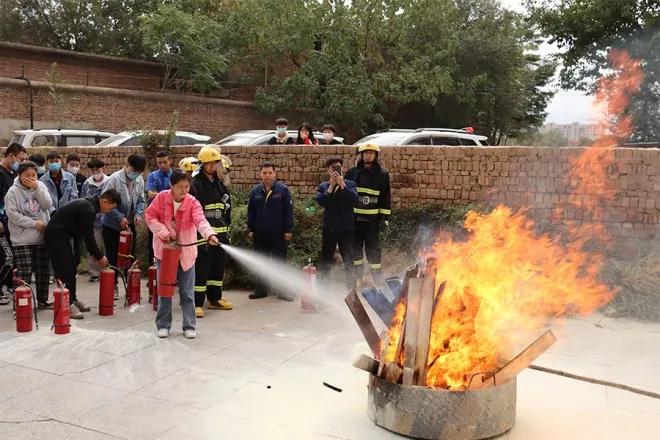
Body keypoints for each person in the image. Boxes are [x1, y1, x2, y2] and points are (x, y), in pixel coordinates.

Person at [146, 170, 220, 339]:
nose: (184, 191)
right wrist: (164, 233)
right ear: (171, 186)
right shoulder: (161, 198)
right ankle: (163, 325)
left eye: (187, 187)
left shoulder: (192, 202)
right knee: (165, 291)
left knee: (187, 292)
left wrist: (209, 234)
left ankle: (189, 326)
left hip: (186, 252)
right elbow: (150, 217)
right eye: (179, 187)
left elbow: (200, 220)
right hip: (165, 252)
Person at [44, 189, 119, 319]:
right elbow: (88, 236)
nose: (109, 211)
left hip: (65, 236)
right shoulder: (88, 209)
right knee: (65, 270)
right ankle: (66, 305)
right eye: (111, 208)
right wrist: (99, 257)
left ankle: (72, 299)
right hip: (55, 235)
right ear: (105, 201)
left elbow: (81, 233)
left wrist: (78, 255)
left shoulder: (90, 205)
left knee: (72, 268)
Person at [190, 146, 233, 316]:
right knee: (202, 267)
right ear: (202, 164)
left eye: (214, 163)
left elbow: (225, 205)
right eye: (208, 163)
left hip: (220, 232)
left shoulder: (217, 182)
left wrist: (226, 227)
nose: (212, 166)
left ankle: (215, 299)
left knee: (217, 266)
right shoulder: (196, 184)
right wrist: (204, 233)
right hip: (203, 234)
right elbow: (195, 211)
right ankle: (196, 302)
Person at [5, 161, 52, 308]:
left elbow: (47, 205)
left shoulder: (40, 185)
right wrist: (33, 223)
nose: (31, 178)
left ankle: (43, 301)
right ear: (19, 175)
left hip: (41, 237)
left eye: (34, 175)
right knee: (24, 271)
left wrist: (37, 188)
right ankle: (20, 304)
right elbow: (13, 215)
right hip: (22, 238)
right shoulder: (12, 191)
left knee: (42, 271)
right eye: (27, 175)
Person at [344, 143, 391, 286]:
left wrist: (385, 218)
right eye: (365, 153)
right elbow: (345, 194)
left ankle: (377, 279)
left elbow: (385, 196)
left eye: (371, 153)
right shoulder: (352, 172)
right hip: (354, 219)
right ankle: (358, 278)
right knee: (355, 249)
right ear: (361, 155)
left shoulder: (382, 174)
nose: (368, 155)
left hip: (372, 220)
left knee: (373, 250)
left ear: (376, 156)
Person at [247, 162, 294, 301]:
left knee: (279, 262)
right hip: (260, 233)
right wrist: (251, 229)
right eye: (264, 173)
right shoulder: (255, 191)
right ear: (260, 174)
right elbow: (251, 212)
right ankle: (261, 290)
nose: (267, 176)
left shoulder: (283, 190)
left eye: (270, 173)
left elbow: (288, 211)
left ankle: (282, 291)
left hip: (278, 233)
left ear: (275, 174)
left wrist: (288, 230)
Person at [102, 154, 146, 299]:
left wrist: (139, 214)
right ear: (127, 165)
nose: (136, 174)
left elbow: (141, 199)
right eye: (134, 170)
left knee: (129, 256)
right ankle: (113, 285)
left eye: (139, 172)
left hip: (129, 225)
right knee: (113, 255)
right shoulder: (114, 179)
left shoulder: (139, 180)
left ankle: (130, 285)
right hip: (112, 225)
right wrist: (120, 217)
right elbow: (105, 201)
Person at [315, 157, 358, 288]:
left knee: (349, 259)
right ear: (328, 170)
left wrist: (342, 186)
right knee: (326, 259)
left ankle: (351, 288)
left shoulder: (350, 184)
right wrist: (331, 187)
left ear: (342, 168)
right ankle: (323, 287)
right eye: (332, 168)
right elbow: (322, 201)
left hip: (347, 229)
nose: (335, 171)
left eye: (338, 168)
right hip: (330, 228)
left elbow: (354, 200)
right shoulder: (324, 186)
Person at [0, 143, 28, 305]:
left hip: (12, 225)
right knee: (7, 258)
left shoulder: (12, 175)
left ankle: (10, 285)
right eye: (20, 159)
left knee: (13, 259)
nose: (22, 163)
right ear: (11, 155)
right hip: (2, 225)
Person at [80, 159, 109, 282]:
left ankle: (108, 269)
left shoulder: (109, 182)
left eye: (98, 169)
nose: (96, 172)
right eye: (93, 170)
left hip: (107, 219)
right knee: (93, 245)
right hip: (92, 220)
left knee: (108, 245)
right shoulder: (87, 183)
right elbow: (83, 199)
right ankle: (94, 272)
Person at [146, 150, 173, 266]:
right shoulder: (152, 176)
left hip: (172, 215)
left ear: (170, 161)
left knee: (172, 241)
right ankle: (152, 270)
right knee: (153, 242)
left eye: (164, 162)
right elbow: (150, 193)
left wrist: (158, 194)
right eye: (159, 162)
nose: (162, 165)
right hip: (155, 215)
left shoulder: (175, 175)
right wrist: (168, 194)